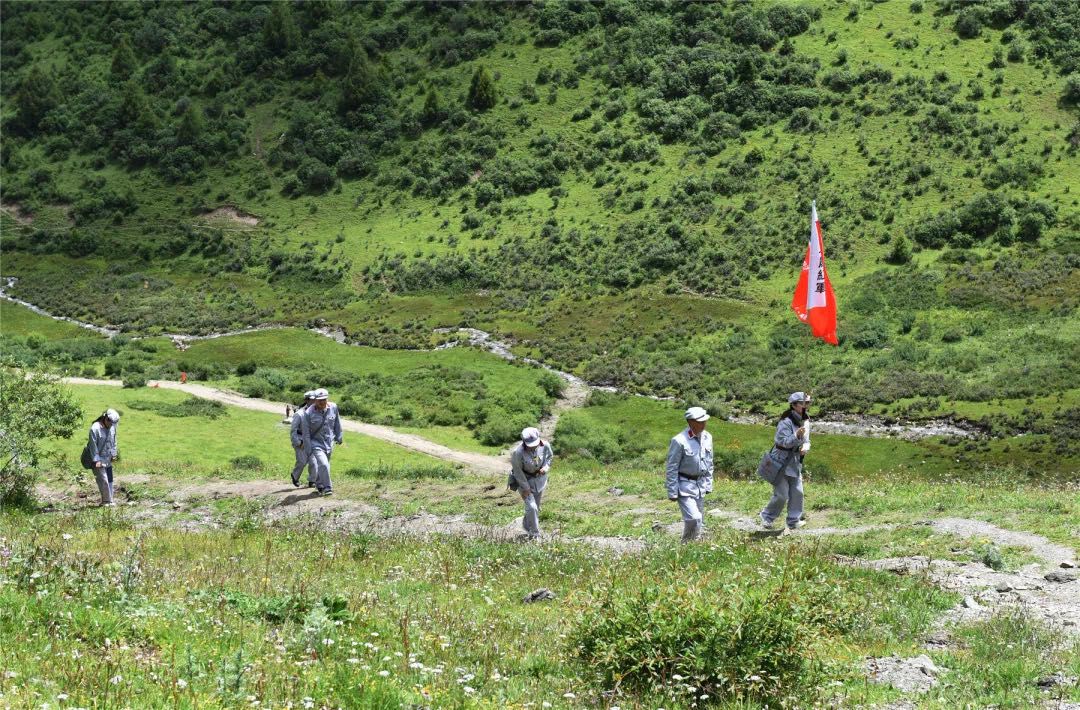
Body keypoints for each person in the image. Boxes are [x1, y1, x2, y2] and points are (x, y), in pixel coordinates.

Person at [760, 393, 811, 531]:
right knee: (782, 495)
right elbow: (783, 442)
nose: (806, 406)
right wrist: (796, 436)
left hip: (795, 462)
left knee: (797, 492)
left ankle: (793, 520)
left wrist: (805, 447)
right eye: (803, 403)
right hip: (781, 461)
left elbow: (807, 441)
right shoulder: (785, 421)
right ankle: (766, 517)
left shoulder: (806, 421)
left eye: (808, 403)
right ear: (794, 405)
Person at [666, 407, 714, 542]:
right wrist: (672, 491)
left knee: (700, 521)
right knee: (694, 518)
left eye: (705, 420)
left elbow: (710, 462)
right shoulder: (679, 441)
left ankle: (693, 547)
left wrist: (709, 484)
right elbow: (672, 467)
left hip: (700, 485)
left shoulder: (708, 437)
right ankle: (685, 545)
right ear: (690, 422)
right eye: (700, 421)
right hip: (684, 485)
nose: (704, 423)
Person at [509, 426, 553, 539]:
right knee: (532, 507)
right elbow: (518, 472)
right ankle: (535, 534)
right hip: (523, 481)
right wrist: (526, 488)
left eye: (535, 444)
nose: (533, 446)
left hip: (539, 481)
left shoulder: (545, 445)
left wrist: (545, 468)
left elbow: (549, 458)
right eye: (530, 445)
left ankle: (526, 524)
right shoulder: (517, 453)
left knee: (535, 507)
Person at [297, 388, 342, 496]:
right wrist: (308, 449)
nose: (322, 402)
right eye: (319, 400)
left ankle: (319, 484)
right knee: (324, 464)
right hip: (315, 443)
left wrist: (339, 436)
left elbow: (337, 422)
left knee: (325, 465)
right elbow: (306, 433)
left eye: (324, 399)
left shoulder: (333, 407)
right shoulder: (307, 413)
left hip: (329, 442)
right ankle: (327, 488)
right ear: (315, 400)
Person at [87, 409, 121, 506]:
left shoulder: (113, 428)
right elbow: (92, 446)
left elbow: (114, 441)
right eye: (111, 423)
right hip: (97, 458)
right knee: (103, 479)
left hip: (108, 457)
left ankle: (110, 500)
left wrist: (114, 454)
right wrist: (96, 460)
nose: (111, 426)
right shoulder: (95, 428)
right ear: (106, 419)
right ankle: (106, 501)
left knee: (110, 479)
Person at [289, 391, 317, 488]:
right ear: (306, 400)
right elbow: (293, 430)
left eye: (315, 399)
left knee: (314, 461)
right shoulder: (299, 414)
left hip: (312, 440)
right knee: (302, 462)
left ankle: (312, 481)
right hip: (301, 440)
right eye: (312, 400)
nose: (314, 401)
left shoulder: (316, 413)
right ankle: (295, 476)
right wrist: (297, 442)